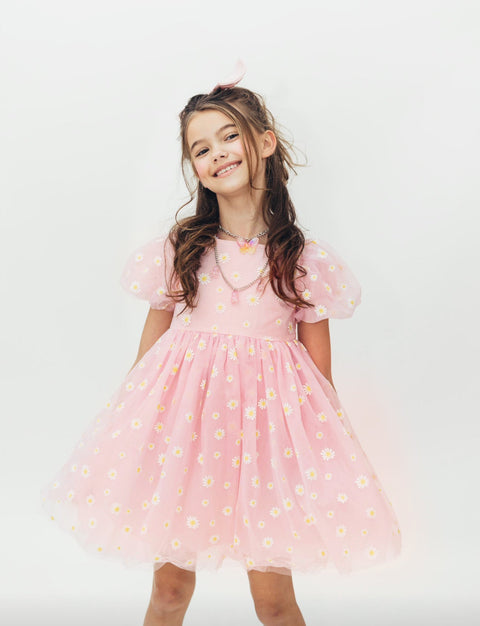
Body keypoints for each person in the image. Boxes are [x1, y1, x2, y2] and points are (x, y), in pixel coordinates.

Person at [40, 62, 401, 626]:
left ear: (265, 142)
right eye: (201, 149)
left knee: (274, 603)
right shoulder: (183, 247)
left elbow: (319, 376)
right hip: (186, 432)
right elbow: (151, 346)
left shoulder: (301, 260)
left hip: (268, 440)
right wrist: (131, 422)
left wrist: (318, 452)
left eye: (229, 136)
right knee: (168, 593)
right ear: (196, 169)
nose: (218, 154)